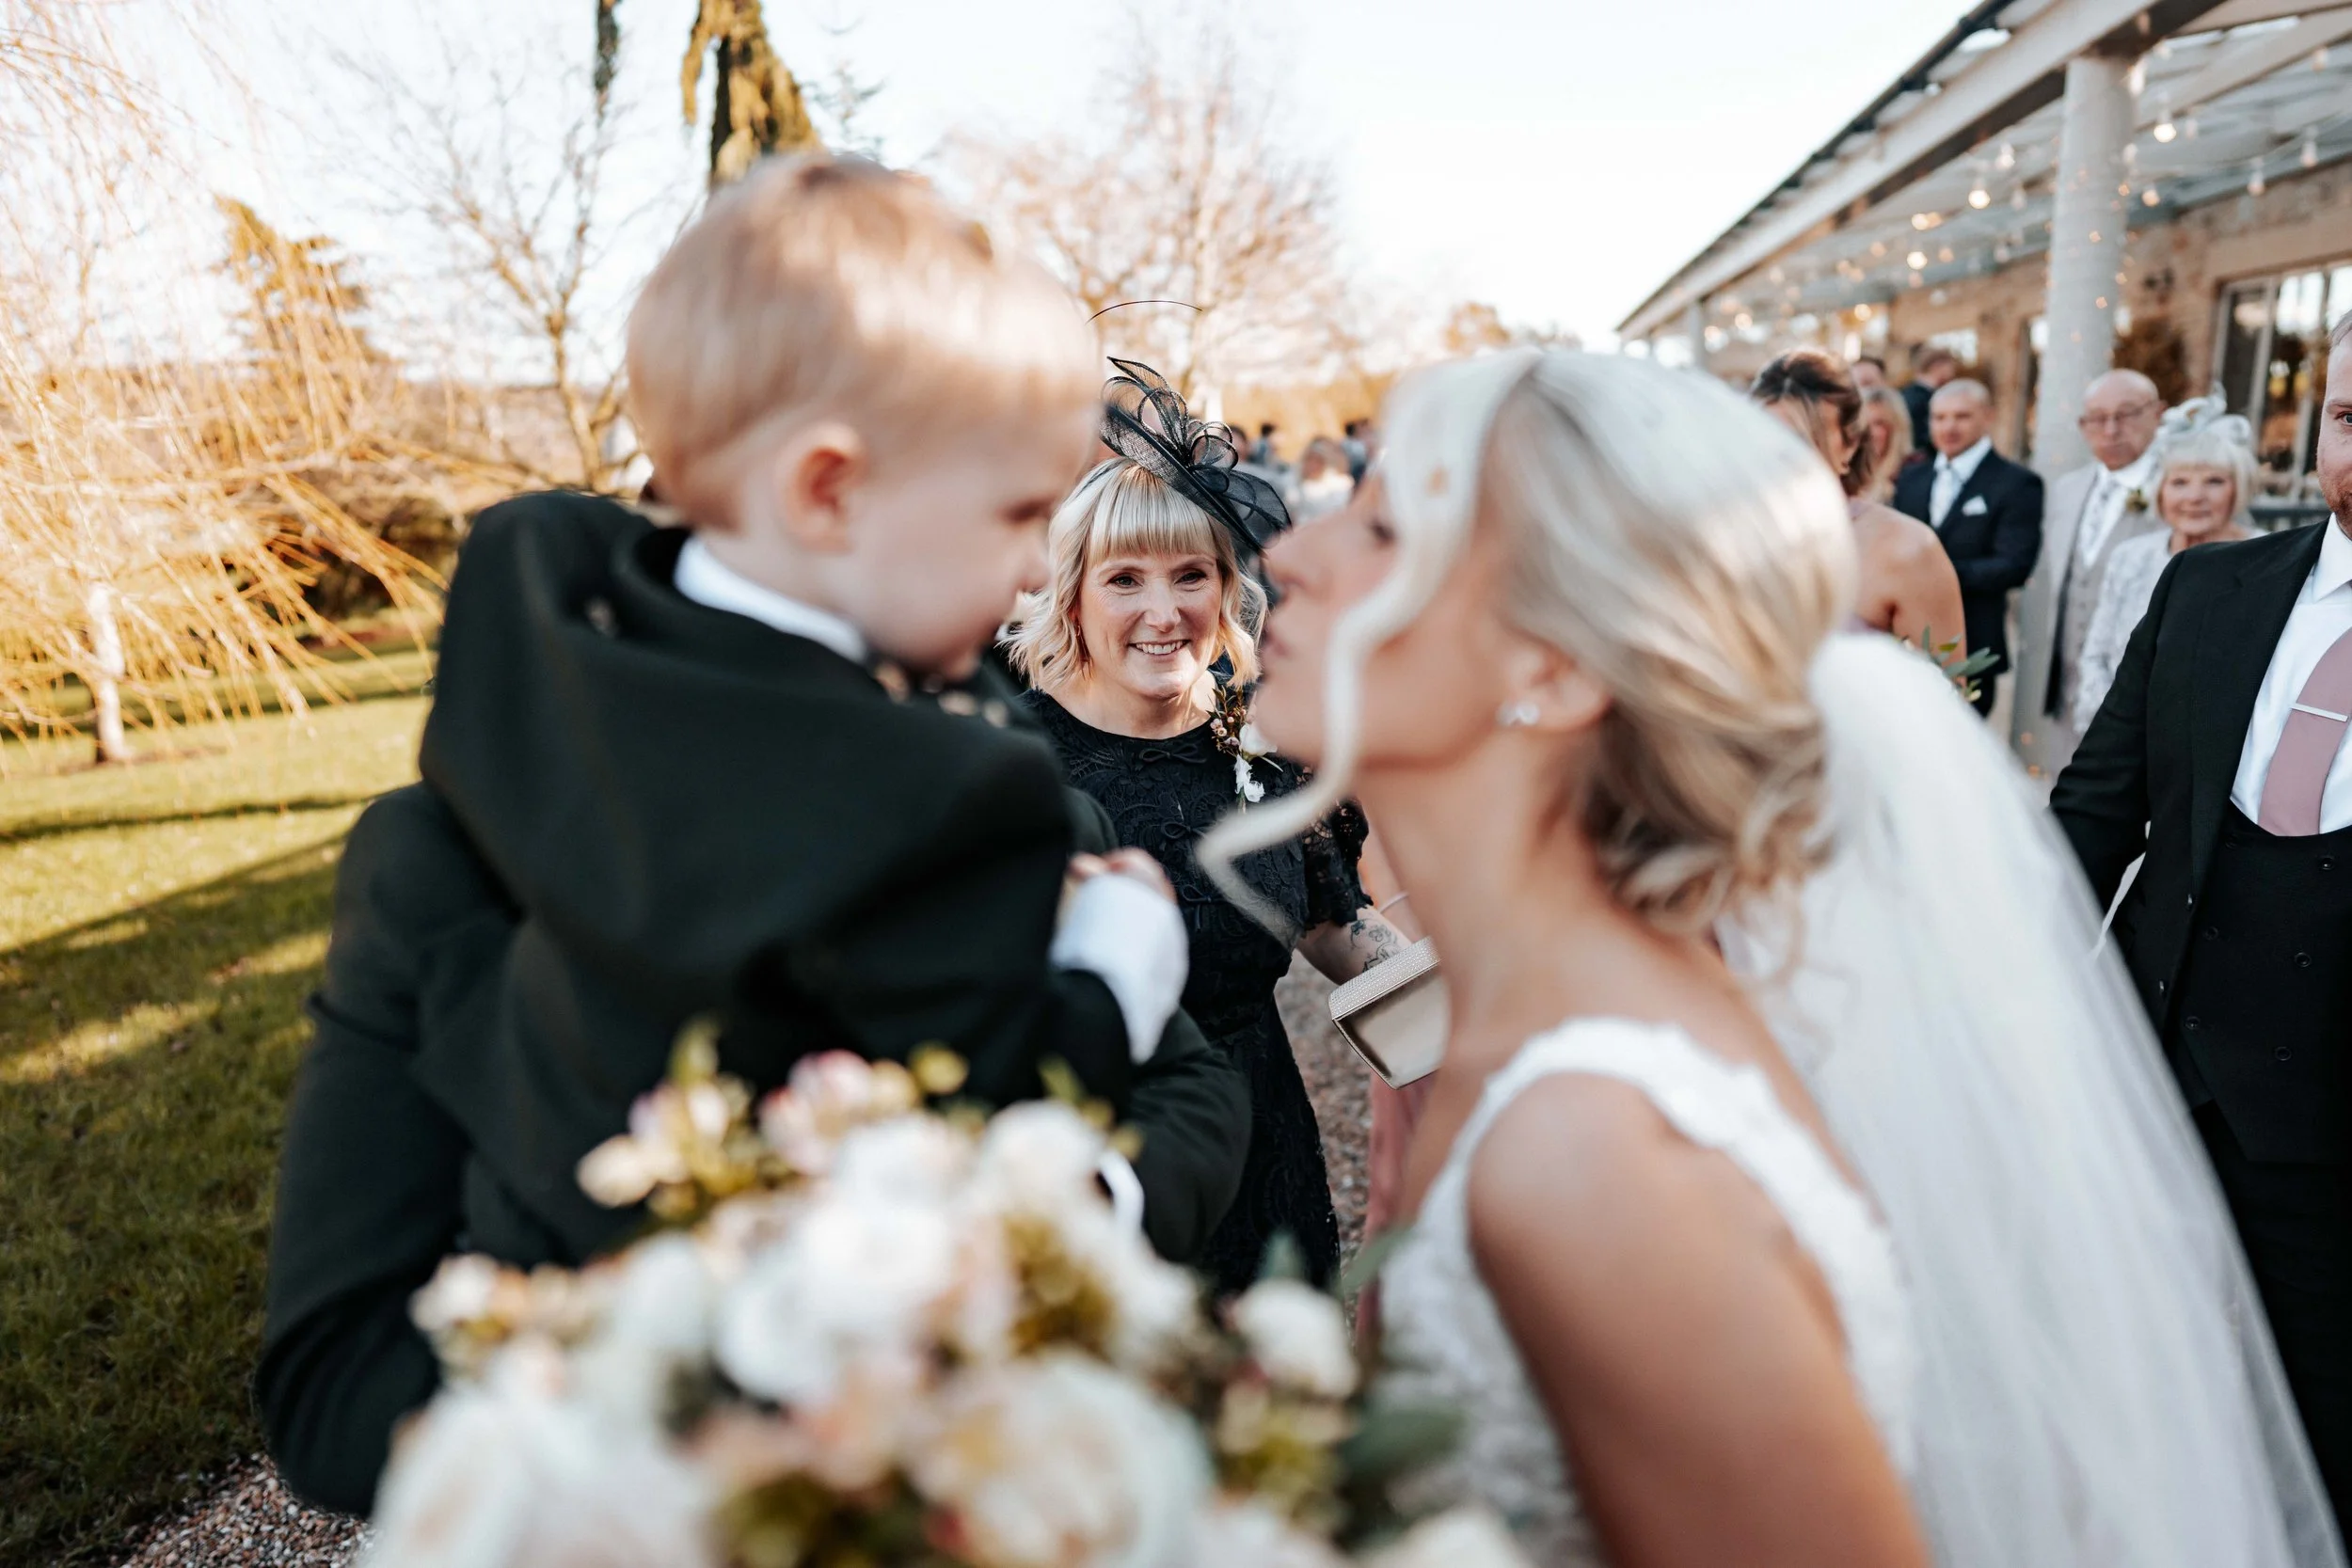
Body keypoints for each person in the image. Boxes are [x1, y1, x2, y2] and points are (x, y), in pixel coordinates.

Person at [1223, 345, 2339, 1566]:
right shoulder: (1568, 1027)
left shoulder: (1602, 1149)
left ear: (1550, 666)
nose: (1290, 552)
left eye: (1386, 530)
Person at [257, 157, 1251, 1513]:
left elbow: (1193, 1095)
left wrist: (1089, 1202)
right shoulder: (438, 867)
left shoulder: (991, 757)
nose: (1035, 572)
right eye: (1020, 514)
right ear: (829, 491)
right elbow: (333, 1394)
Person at [1004, 361, 1409, 1295]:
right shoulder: (1013, 758)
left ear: (1229, 589)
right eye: (1124, 578)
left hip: (1263, 1159)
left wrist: (1485, 994)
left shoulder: (1268, 743)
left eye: (1191, 574)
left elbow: (1336, 926)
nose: (1162, 610)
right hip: (1089, 1174)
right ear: (1073, 593)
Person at [2053, 311, 2352, 1533]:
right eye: (2347, 417)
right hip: (2150, 1072)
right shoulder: (2213, 584)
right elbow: (2091, 812)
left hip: (2334, 1137)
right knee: (2116, 1386)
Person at [1751, 349, 1965, 651]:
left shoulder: (1907, 550)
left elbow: (1946, 689)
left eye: (1801, 440)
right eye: (1763, 437)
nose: (1778, 456)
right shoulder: (1730, 540)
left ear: (1850, 445)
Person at [2010, 370, 2169, 777]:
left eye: (2127, 414)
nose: (2111, 430)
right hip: (2066, 690)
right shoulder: (2066, 489)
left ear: (2158, 415)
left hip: (2143, 689)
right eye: (2097, 418)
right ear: (2083, 426)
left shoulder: (2182, 488)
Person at [2071, 398, 2257, 732]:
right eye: (2179, 482)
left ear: (2238, 488)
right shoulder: (2130, 556)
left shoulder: (2268, 559)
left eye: (2214, 481)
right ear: (2160, 491)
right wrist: (2111, 732)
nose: (2194, 497)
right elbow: (2096, 655)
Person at [1893, 379, 2044, 717]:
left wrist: (1935, 575)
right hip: (1904, 647)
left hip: (1973, 648)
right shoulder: (1911, 479)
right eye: (1940, 417)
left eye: (1961, 416)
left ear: (1987, 417)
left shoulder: (2017, 483)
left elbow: (2014, 564)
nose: (1949, 427)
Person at [1859, 384, 1913, 504]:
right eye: (1863, 423)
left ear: (1896, 428)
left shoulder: (1912, 475)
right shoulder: (1845, 475)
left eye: (1878, 423)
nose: (1868, 432)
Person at [1900, 345, 1958, 455]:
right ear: (1937, 366)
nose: (1953, 372)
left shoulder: (1907, 393)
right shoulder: (1924, 399)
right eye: (1950, 366)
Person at [1294, 435, 1356, 522]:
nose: (1313, 465)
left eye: (1318, 461)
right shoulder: (1295, 482)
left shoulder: (1340, 484)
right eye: (1310, 460)